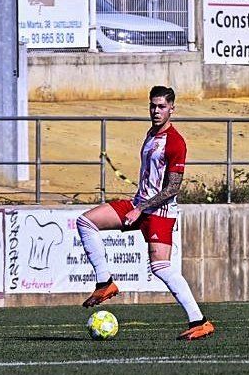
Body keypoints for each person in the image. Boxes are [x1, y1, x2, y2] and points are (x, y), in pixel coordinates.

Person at [76, 85, 214, 341]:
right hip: (138, 205)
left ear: (172, 108)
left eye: (161, 106)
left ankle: (200, 321)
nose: (156, 111)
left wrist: (141, 208)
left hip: (159, 212)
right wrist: (138, 206)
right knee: (86, 221)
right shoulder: (151, 134)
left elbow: (173, 188)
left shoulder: (175, 142)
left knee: (161, 267)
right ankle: (104, 283)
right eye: (153, 106)